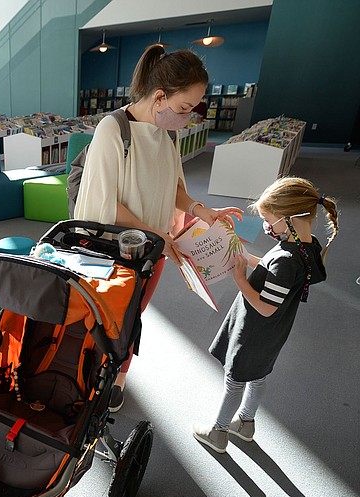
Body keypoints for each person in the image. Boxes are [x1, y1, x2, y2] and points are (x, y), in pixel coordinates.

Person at [74, 44, 243, 411]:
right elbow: (105, 205)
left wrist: (202, 210)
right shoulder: (112, 130)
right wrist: (155, 235)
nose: (187, 118)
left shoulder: (168, 132)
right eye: (184, 108)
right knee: (104, 317)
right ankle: (86, 376)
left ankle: (117, 377)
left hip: (156, 250)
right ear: (160, 96)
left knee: (133, 315)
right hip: (116, 251)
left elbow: (173, 187)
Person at [192, 177, 339, 453]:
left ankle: (218, 431)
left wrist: (240, 279)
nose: (267, 227)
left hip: (255, 330)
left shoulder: (285, 258)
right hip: (275, 333)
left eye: (270, 221)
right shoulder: (308, 248)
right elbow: (280, 279)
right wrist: (249, 259)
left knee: (235, 379)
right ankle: (246, 423)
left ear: (290, 219)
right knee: (258, 375)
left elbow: (265, 306)